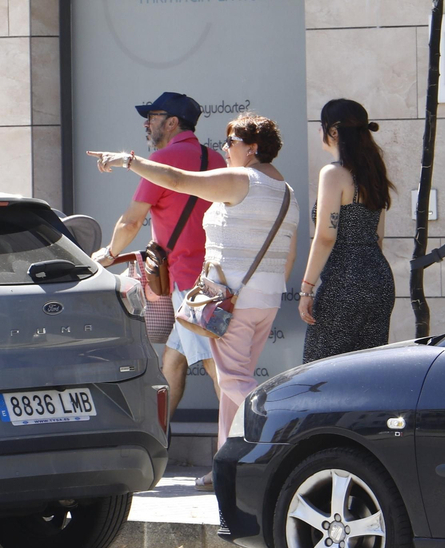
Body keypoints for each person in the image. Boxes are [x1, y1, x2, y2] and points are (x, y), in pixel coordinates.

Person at [91, 113, 298, 490]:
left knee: (234, 381)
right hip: (265, 298)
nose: (225, 148)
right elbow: (289, 252)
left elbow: (177, 180)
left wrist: (129, 161)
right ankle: (226, 468)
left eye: (231, 142)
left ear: (252, 148)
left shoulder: (242, 179)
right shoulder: (285, 190)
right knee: (232, 384)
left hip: (231, 300)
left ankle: (286, 435)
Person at [89, 92, 225, 420]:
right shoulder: (216, 159)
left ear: (172, 122)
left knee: (216, 367)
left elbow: (132, 220)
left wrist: (109, 253)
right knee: (174, 359)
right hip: (216, 276)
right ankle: (159, 434)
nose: (146, 124)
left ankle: (241, 440)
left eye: (152, 117)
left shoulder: (162, 161)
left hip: (189, 283)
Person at [299, 98, 397, 362]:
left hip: (344, 280)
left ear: (333, 131)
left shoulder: (333, 173)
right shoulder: (374, 173)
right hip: (379, 279)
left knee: (321, 367)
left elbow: (325, 237)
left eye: (322, 125)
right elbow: (378, 237)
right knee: (366, 368)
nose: (319, 131)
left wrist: (306, 289)